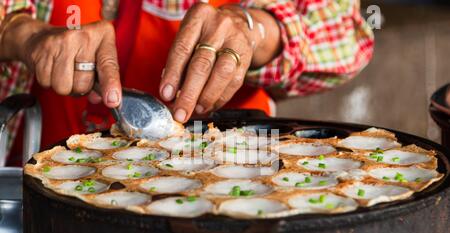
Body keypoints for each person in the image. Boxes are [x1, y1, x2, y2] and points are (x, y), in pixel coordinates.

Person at [0, 0, 374, 164]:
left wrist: (253, 28)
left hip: (236, 187)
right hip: (55, 185)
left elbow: (346, 35)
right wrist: (21, 34)